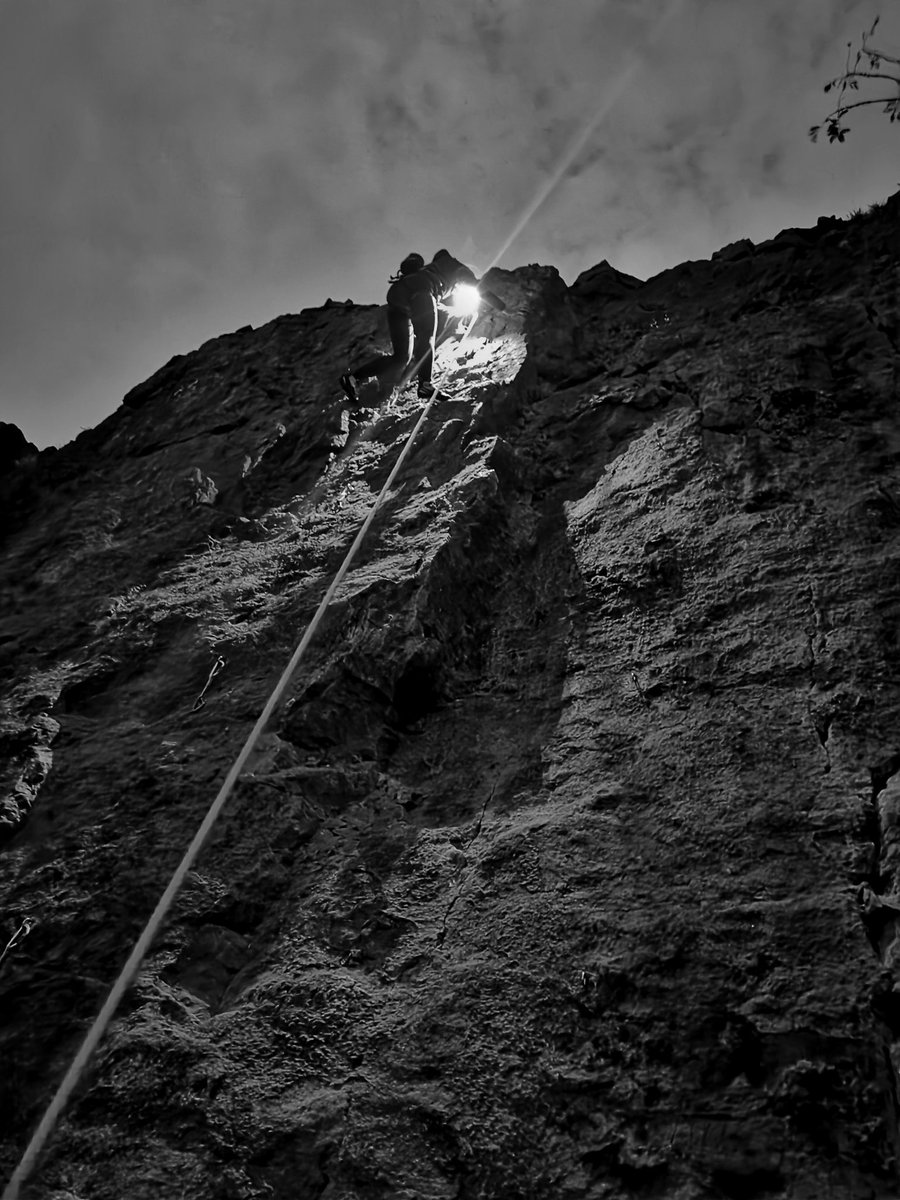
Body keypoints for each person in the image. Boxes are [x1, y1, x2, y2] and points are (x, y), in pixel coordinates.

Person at [340, 249, 505, 405]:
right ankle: (425, 385)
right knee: (427, 336)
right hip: (421, 292)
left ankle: (352, 378)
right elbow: (478, 287)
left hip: (396, 298)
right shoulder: (456, 267)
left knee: (401, 357)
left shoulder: (428, 270)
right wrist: (503, 307)